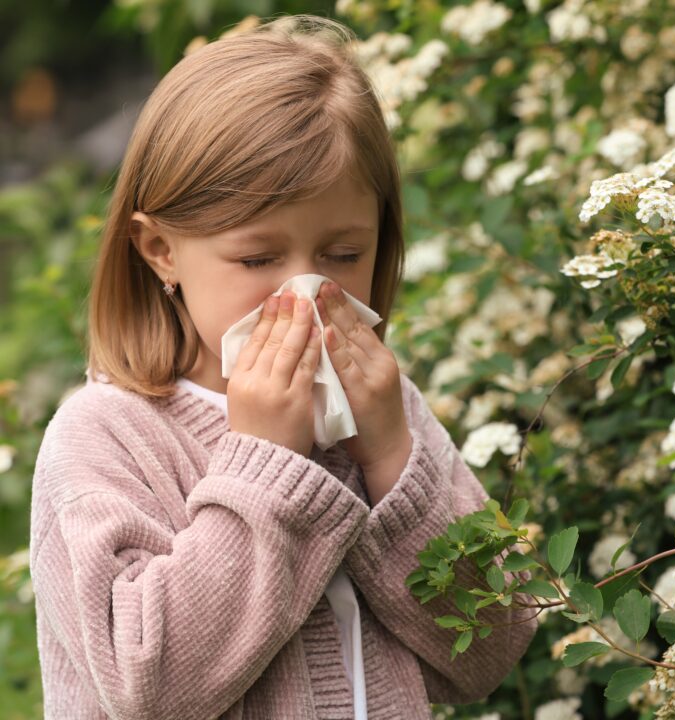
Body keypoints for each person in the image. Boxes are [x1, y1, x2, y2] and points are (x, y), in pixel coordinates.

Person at [28, 14, 538, 720]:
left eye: (342, 254)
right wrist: (265, 463)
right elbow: (151, 689)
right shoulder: (106, 436)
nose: (304, 292)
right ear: (160, 251)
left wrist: (393, 455)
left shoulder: (381, 406)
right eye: (258, 259)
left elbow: (490, 649)